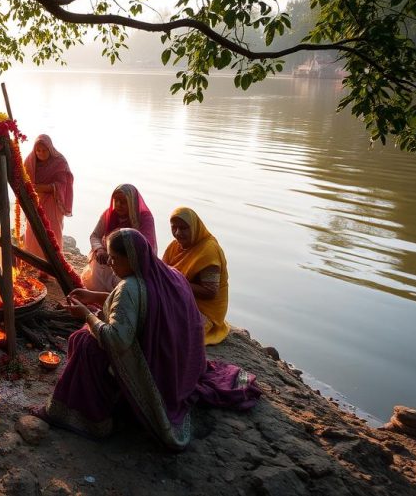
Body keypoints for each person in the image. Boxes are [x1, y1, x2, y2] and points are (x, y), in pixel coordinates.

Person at [33, 228, 259, 448]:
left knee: (83, 341)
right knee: (88, 332)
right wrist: (94, 296)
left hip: (152, 369)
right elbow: (139, 305)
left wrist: (86, 314)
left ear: (131, 258)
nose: (110, 264)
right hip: (176, 362)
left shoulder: (130, 287)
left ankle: (95, 417)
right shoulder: (167, 274)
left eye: (114, 259)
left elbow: (117, 340)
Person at [163, 207, 231, 345]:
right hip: (182, 301)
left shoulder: (208, 251)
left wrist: (176, 282)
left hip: (205, 312)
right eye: (174, 228)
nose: (178, 233)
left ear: (194, 227)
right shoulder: (176, 246)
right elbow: (163, 271)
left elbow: (210, 292)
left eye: (183, 228)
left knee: (167, 327)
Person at [80, 184, 156, 292]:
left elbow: (147, 246)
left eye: (124, 202)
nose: (119, 205)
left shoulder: (144, 218)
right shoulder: (109, 214)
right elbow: (95, 235)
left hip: (131, 263)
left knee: (124, 288)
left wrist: (122, 257)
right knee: (97, 268)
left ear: (132, 202)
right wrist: (100, 249)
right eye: (116, 201)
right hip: (107, 259)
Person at [22, 134, 74, 262]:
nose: (41, 153)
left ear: (50, 149)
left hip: (53, 201)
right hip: (36, 201)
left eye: (44, 150)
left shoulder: (60, 162)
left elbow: (62, 184)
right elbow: (23, 178)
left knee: (52, 231)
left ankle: (51, 263)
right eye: (38, 150)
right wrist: (32, 189)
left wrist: (40, 187)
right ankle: (34, 260)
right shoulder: (31, 160)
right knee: (33, 230)